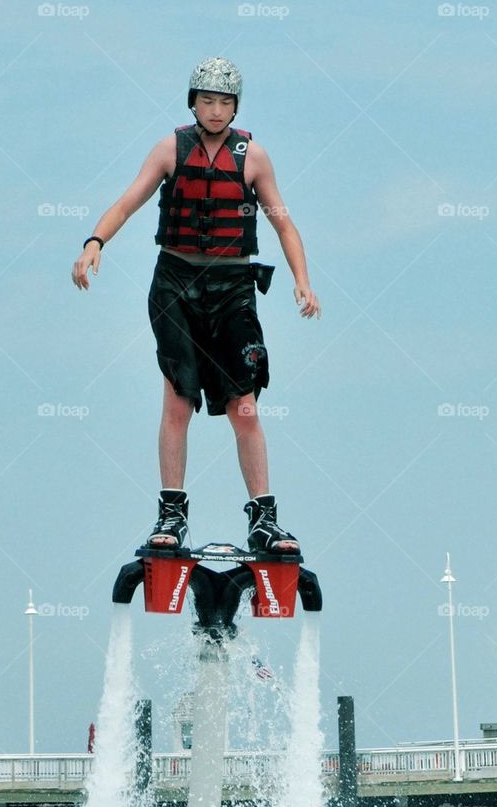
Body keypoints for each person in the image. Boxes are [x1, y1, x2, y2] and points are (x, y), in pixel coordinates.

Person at [71, 56, 320, 554]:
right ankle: (171, 517)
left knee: (244, 408)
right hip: (176, 284)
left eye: (224, 102)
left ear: (235, 107)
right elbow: (127, 202)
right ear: (193, 102)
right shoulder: (170, 149)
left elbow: (283, 224)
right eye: (207, 100)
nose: (215, 110)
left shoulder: (254, 157)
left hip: (232, 288)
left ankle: (264, 520)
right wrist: (94, 242)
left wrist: (302, 281)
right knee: (178, 402)